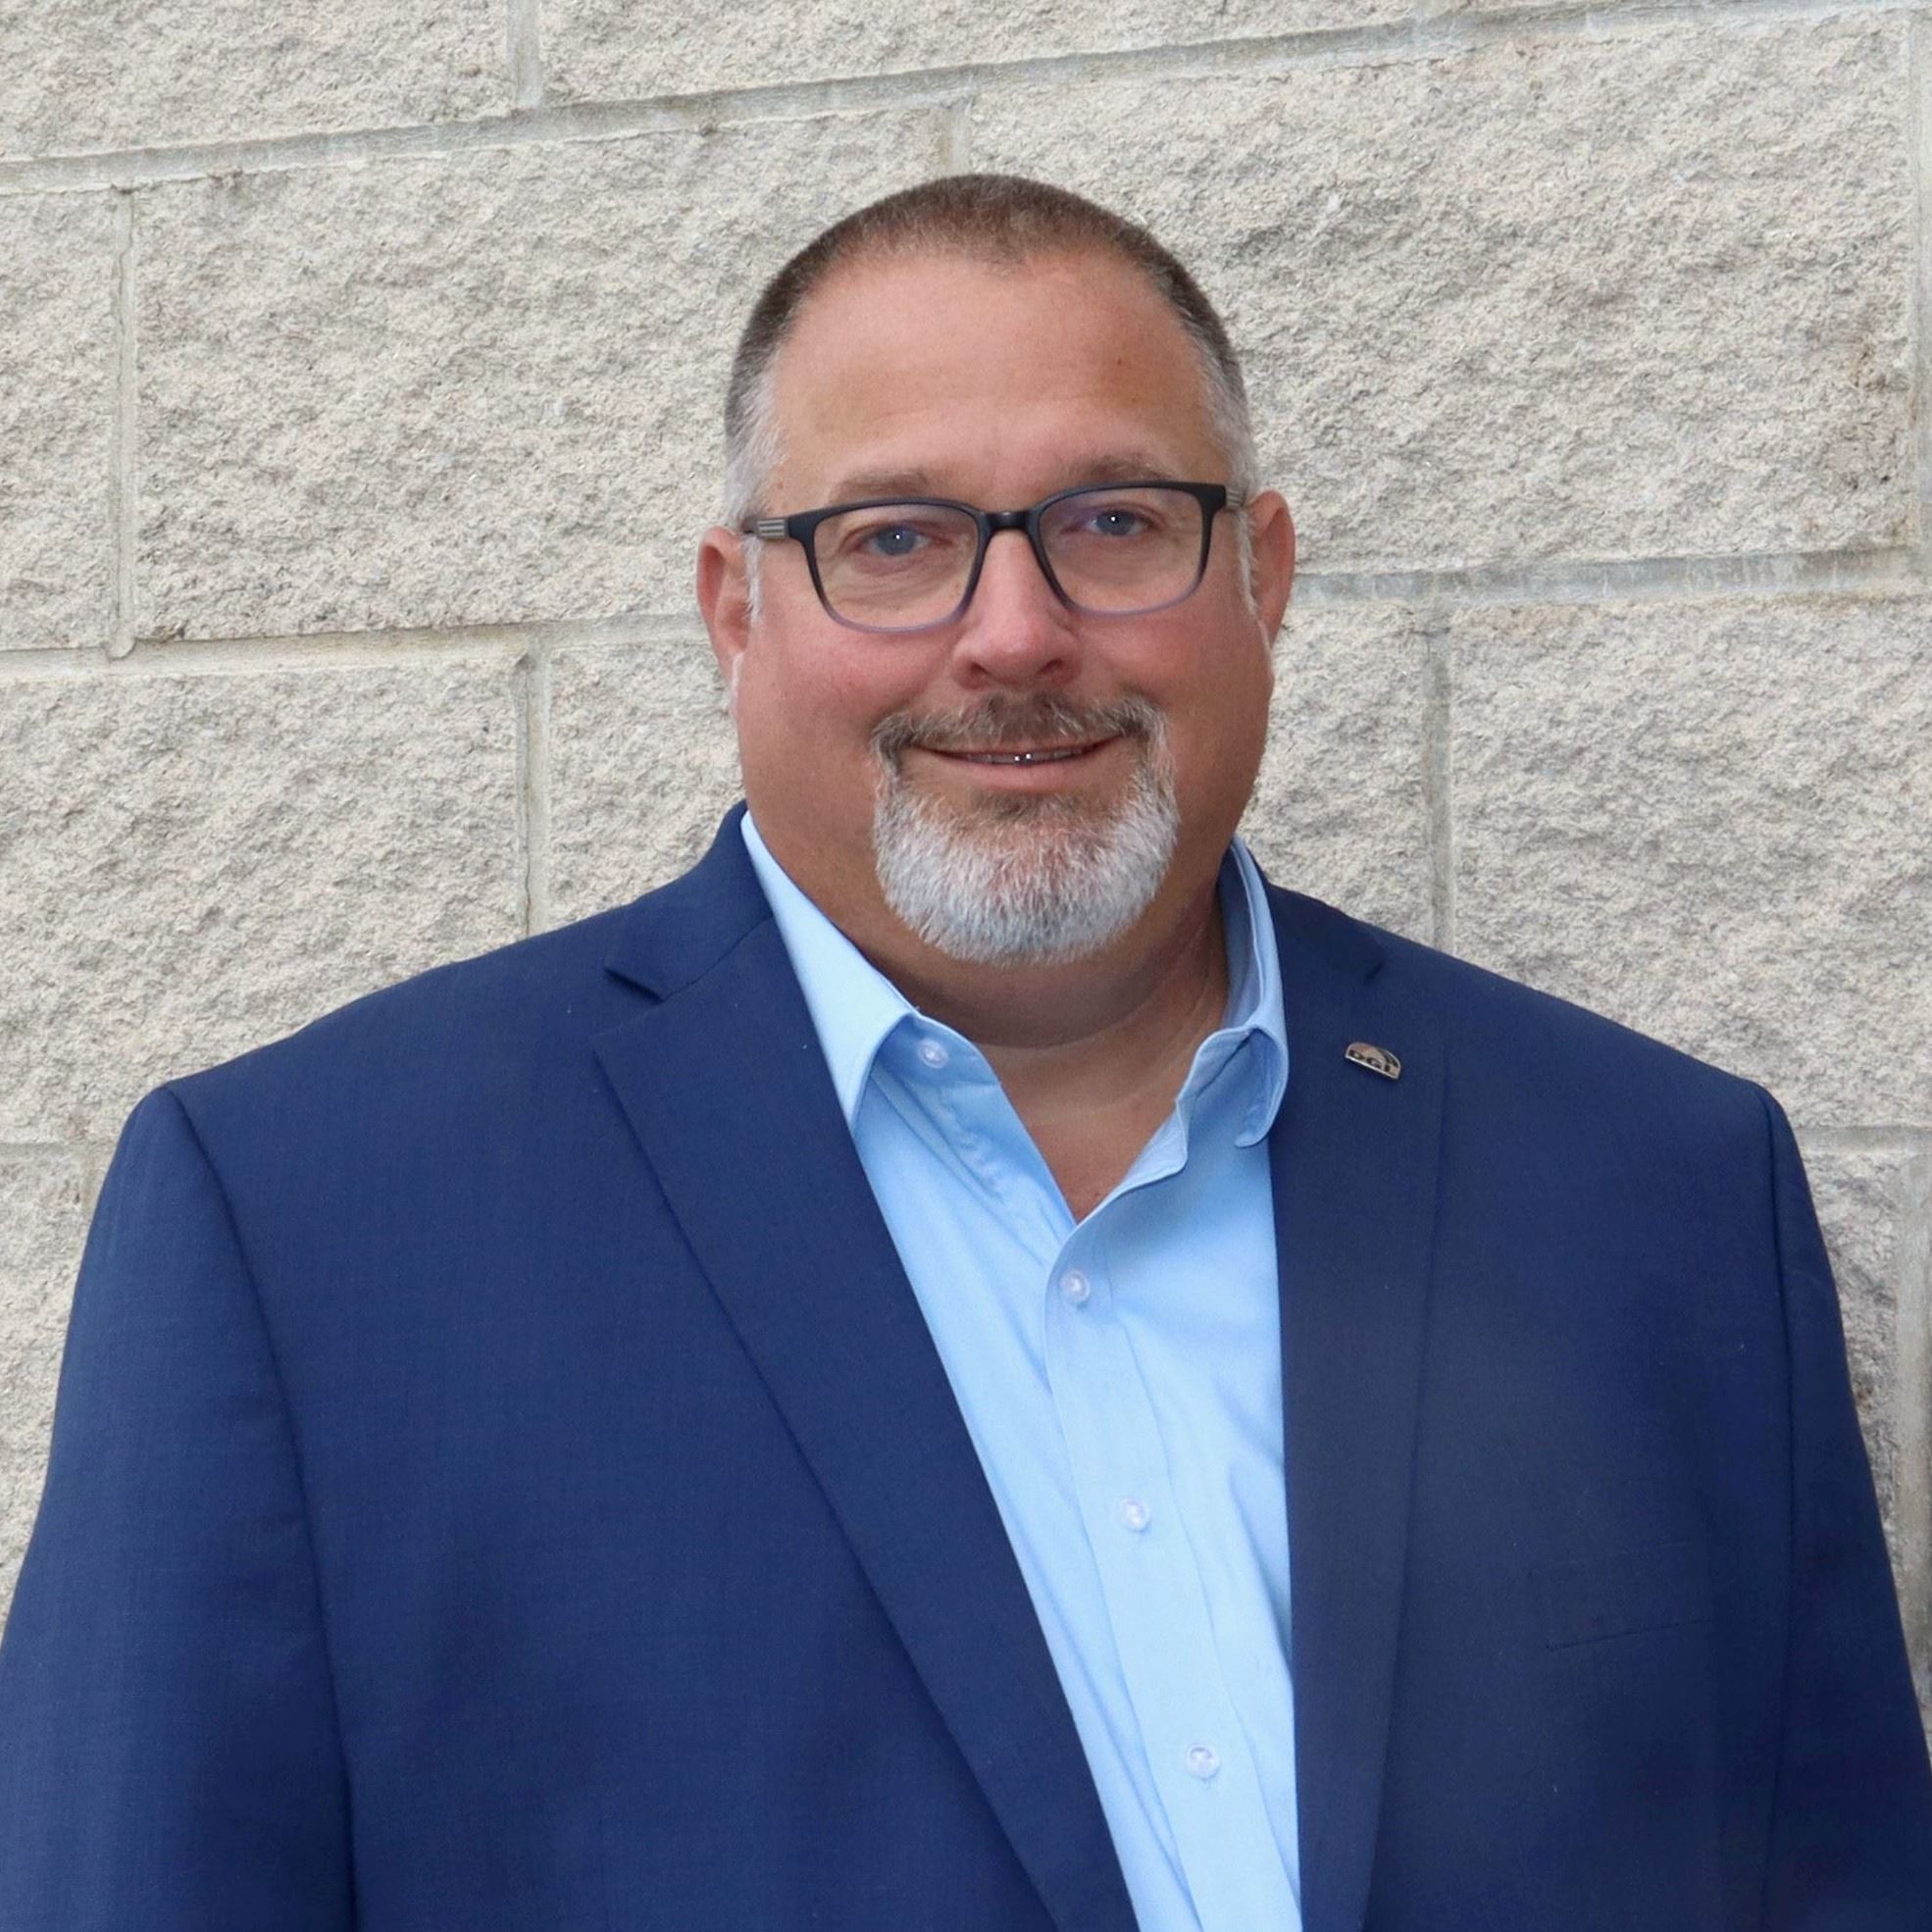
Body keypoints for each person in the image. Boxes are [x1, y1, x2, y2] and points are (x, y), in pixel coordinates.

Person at [1, 173, 1926, 1932]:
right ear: (734, 608)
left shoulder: (1658, 1195)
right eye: (896, 538)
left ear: (1258, 573)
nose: (1013, 632)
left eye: (1111, 522)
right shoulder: (306, 1234)